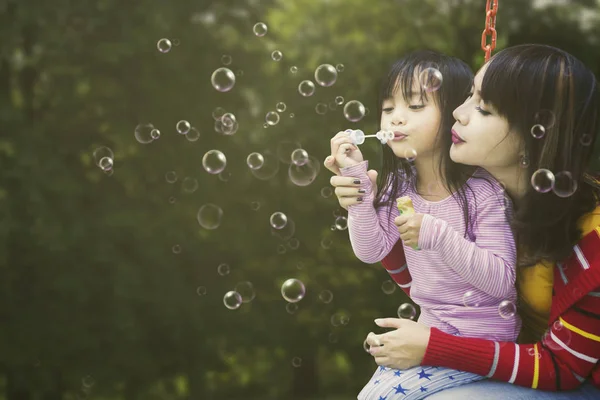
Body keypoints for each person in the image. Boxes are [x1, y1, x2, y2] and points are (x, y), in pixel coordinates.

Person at [327, 44, 600, 399]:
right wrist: (363, 202)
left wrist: (432, 346)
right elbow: (434, 280)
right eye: (469, 95)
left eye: (483, 108)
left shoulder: (590, 237)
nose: (458, 111)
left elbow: (563, 368)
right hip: (505, 357)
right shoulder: (492, 195)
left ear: (537, 133)